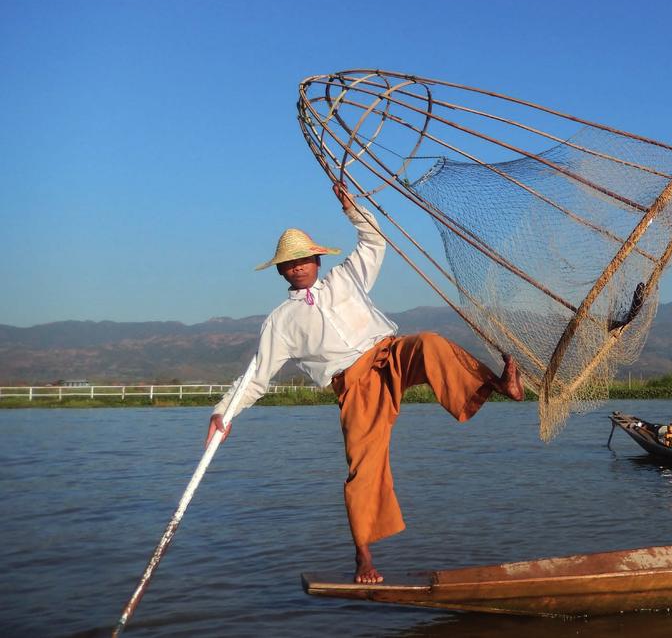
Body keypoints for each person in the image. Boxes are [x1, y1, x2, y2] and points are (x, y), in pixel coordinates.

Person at [206, 180, 524, 584]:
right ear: (281, 271)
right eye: (290, 263)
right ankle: (363, 555)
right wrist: (223, 412)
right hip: (354, 385)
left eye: (304, 259)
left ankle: (498, 385)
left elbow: (375, 242)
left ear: (317, 260)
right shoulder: (280, 322)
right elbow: (256, 376)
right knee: (363, 465)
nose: (298, 266)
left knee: (429, 344)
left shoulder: (344, 279)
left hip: (389, 354)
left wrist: (352, 209)